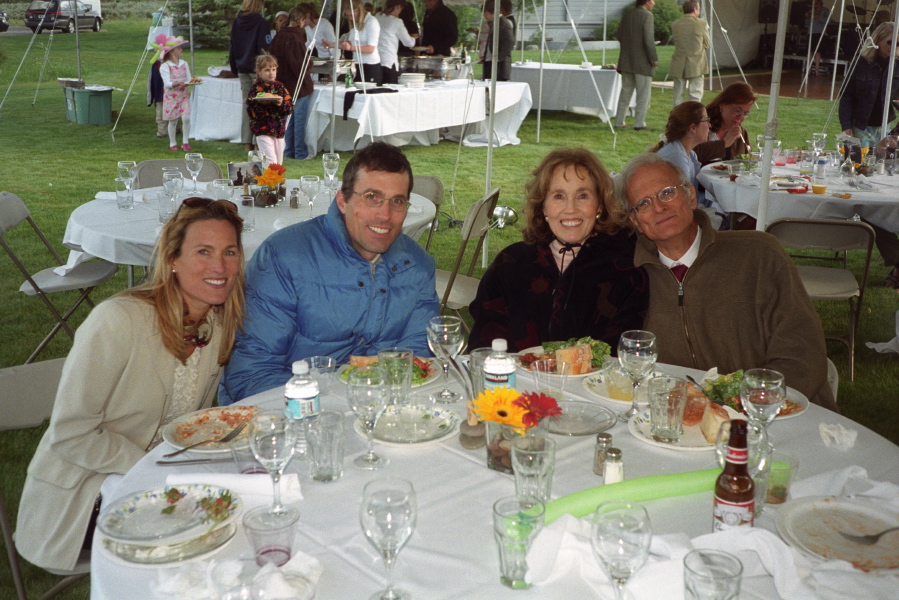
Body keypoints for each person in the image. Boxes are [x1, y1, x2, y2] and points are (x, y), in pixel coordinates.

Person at [16, 198, 245, 573]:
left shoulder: (216, 324)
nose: (219, 266)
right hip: (83, 501)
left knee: (244, 513)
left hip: (158, 484)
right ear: (172, 259)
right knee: (213, 544)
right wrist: (152, 468)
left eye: (229, 251)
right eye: (203, 251)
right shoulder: (118, 321)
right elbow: (70, 434)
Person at [615, 153, 838, 412]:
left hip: (779, 416)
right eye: (643, 203)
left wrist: (747, 409)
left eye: (667, 193)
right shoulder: (630, 280)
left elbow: (802, 354)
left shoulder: (758, 255)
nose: (658, 207)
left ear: (690, 195)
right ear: (635, 221)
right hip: (681, 422)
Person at [221, 142, 439, 403]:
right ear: (342, 201)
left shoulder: (417, 266)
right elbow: (252, 373)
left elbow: (416, 363)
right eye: (372, 198)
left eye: (397, 201)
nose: (385, 215)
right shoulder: (284, 257)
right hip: (289, 411)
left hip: (380, 412)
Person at [468, 148, 648, 352]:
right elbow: (483, 343)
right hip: (513, 381)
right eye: (558, 196)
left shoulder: (625, 270)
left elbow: (624, 352)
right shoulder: (511, 263)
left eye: (582, 195)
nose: (570, 208)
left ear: (599, 206)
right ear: (543, 206)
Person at [650, 101, 720, 226]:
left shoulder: (688, 153)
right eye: (706, 120)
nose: (709, 125)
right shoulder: (677, 158)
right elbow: (682, 202)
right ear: (692, 128)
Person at [839, 21, 899, 148]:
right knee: (858, 164)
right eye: (890, 42)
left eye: (898, 44)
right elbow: (847, 95)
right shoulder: (860, 63)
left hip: (885, 127)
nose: (894, 47)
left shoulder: (897, 65)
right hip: (860, 126)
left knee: (882, 164)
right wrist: (846, 125)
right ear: (877, 40)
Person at [268, 6, 314, 160]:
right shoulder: (295, 37)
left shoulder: (279, 35)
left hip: (282, 82)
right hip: (297, 84)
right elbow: (300, 64)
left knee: (288, 120)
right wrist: (310, 63)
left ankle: (288, 152)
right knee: (298, 120)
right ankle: (300, 152)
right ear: (300, 20)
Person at [229, 0, 272, 150]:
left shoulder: (237, 21)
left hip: (242, 67)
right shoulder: (261, 22)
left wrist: (235, 66)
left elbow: (232, 45)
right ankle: (257, 142)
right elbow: (265, 47)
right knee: (260, 106)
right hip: (257, 69)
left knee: (247, 106)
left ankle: (247, 142)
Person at [614, 0, 658, 131]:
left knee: (625, 93)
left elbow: (619, 35)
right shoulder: (647, 16)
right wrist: (653, 58)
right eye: (652, 1)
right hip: (642, 62)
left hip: (626, 60)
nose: (654, 3)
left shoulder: (627, 14)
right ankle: (639, 123)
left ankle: (619, 121)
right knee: (643, 95)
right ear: (645, 2)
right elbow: (648, 40)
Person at [246, 53, 294, 166]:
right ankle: (270, 182)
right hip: (263, 129)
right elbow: (251, 109)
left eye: (273, 69)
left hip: (279, 129)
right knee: (270, 159)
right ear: (259, 72)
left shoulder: (280, 87)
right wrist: (263, 103)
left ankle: (277, 181)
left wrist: (280, 104)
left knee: (279, 160)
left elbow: (290, 107)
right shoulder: (256, 88)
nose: (271, 73)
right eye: (267, 70)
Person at [693, 82, 757, 165]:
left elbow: (746, 161)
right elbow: (690, 154)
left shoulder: (740, 134)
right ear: (722, 104)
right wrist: (724, 144)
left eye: (745, 113)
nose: (740, 117)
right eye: (738, 110)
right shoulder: (701, 125)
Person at [328, 0, 382, 84]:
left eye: (351, 15)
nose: (349, 18)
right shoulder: (355, 24)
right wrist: (333, 45)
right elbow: (350, 42)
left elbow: (370, 49)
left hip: (370, 65)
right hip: (357, 64)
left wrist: (351, 48)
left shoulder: (372, 22)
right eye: (347, 16)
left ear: (359, 11)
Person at [669, 0, 708, 106]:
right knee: (695, 95)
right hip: (697, 63)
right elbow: (707, 43)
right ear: (695, 9)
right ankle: (694, 119)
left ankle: (677, 119)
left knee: (678, 95)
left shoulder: (675, 24)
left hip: (679, 62)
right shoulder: (701, 24)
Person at [158, 36, 193, 152]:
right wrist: (176, 83)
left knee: (186, 117)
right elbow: (167, 83)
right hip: (171, 97)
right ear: (172, 52)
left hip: (183, 95)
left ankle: (185, 141)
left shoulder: (184, 63)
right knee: (173, 120)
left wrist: (189, 82)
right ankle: (172, 142)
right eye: (178, 48)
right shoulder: (165, 66)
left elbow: (189, 78)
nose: (181, 50)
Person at [375, 0, 418, 84]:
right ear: (397, 7)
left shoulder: (376, 17)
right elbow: (409, 43)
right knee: (390, 89)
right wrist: (413, 38)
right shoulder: (397, 22)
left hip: (375, 59)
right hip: (389, 60)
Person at [482, 3, 514, 82]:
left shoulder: (504, 23)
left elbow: (509, 41)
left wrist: (498, 58)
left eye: (485, 14)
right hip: (491, 63)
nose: (484, 16)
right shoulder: (495, 23)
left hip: (500, 66)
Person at [806, 0, 832, 76]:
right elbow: (807, 23)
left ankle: (817, 70)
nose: (816, 6)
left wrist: (818, 17)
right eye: (815, 4)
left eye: (817, 4)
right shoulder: (811, 11)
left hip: (819, 32)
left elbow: (828, 20)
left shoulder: (826, 11)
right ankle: (809, 69)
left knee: (818, 51)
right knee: (810, 51)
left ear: (820, 3)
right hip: (810, 32)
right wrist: (808, 17)